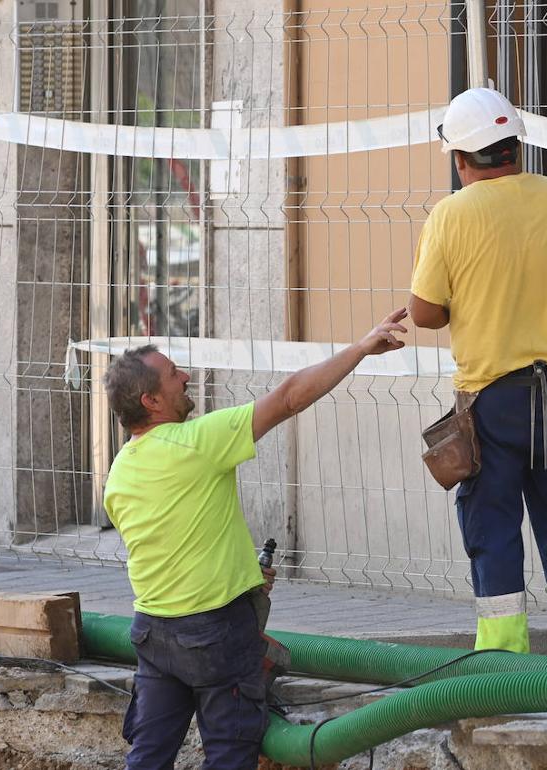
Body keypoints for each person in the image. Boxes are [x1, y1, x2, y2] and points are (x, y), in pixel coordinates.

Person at [102, 308, 408, 769]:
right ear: (151, 401)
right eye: (172, 374)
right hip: (214, 637)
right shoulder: (197, 442)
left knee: (147, 758)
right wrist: (362, 348)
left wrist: (244, 574)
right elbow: (288, 398)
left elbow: (178, 542)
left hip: (153, 634)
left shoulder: (119, 473)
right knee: (230, 755)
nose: (186, 375)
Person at [408, 87, 547, 658]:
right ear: (514, 147)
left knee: (493, 528)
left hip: (493, 402)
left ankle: (502, 663)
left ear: (460, 157)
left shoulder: (450, 216)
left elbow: (425, 313)